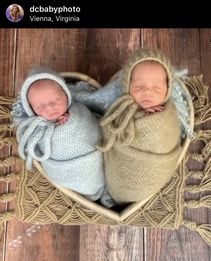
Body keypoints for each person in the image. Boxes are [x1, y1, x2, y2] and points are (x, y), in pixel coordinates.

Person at [12, 67, 114, 208]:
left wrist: (72, 119)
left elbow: (97, 124)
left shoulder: (79, 109)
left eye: (56, 100)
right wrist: (54, 129)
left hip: (96, 155)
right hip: (66, 170)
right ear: (31, 109)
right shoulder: (36, 129)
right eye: (40, 106)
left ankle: (108, 189)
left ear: (66, 95)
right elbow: (36, 149)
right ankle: (92, 193)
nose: (49, 108)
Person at [98, 49, 183, 205]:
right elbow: (108, 128)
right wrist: (136, 115)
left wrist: (151, 120)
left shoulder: (167, 115)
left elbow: (170, 135)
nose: (147, 92)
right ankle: (114, 195)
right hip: (120, 170)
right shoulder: (120, 107)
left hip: (152, 169)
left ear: (168, 90)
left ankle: (135, 197)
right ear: (127, 86)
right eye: (138, 87)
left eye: (156, 89)